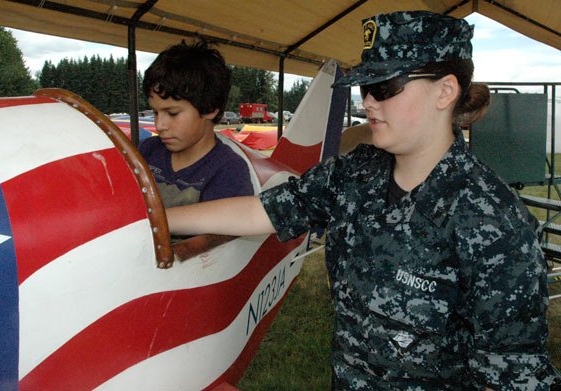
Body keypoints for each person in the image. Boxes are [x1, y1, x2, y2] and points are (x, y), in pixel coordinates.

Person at [166, 11, 560, 390]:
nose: (368, 102)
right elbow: (262, 210)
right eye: (365, 88)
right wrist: (159, 218)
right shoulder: (355, 174)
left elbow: (511, 374)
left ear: (445, 91)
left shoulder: (493, 221)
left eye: (385, 88)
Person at [138, 39, 254, 209]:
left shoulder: (228, 171)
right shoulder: (147, 150)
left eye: (172, 113)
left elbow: (217, 235)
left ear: (210, 108)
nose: (160, 125)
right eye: (155, 112)